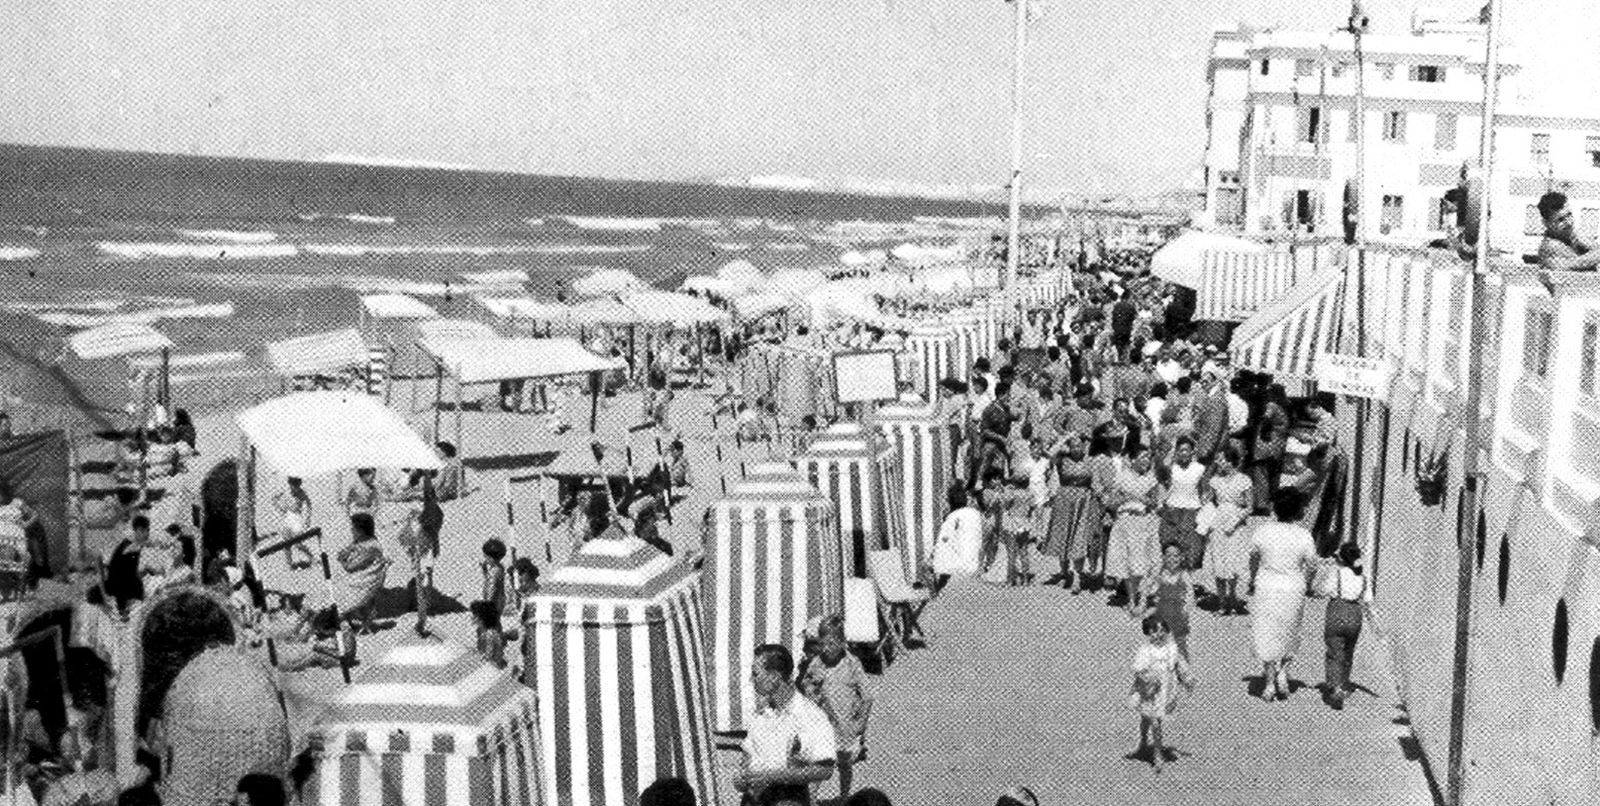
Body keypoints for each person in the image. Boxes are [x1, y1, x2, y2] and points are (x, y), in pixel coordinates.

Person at [737, 644, 837, 805]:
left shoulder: (811, 715)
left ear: (775, 677)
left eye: (756, 674)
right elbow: (747, 757)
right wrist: (742, 778)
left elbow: (825, 769)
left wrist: (773, 776)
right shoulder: (761, 714)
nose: (751, 679)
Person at [1249, 489, 1317, 702]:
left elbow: (1253, 557)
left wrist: (1252, 578)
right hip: (1293, 586)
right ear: (1297, 511)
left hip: (1267, 585)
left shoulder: (1263, 531)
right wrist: (1306, 583)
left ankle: (1269, 683)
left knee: (1267, 630)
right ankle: (1283, 673)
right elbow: (1312, 565)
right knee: (1290, 630)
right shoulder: (1303, 535)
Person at [799, 616, 872, 801]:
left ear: (842, 642)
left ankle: (845, 796)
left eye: (831, 644)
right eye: (822, 644)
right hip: (824, 724)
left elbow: (867, 696)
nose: (826, 649)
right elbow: (805, 685)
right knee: (820, 763)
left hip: (845, 725)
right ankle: (812, 800)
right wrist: (813, 688)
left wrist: (861, 723)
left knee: (845, 764)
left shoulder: (852, 664)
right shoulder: (817, 662)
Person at [1128, 614, 1196, 774]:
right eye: (1153, 631)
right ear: (1147, 633)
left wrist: (1187, 679)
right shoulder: (1145, 651)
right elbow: (1138, 670)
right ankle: (1147, 744)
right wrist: (1147, 679)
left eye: (1161, 631)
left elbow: (1179, 664)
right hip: (1149, 691)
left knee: (1155, 721)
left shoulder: (1171, 648)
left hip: (1165, 690)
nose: (1158, 635)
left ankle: (1155, 751)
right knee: (1148, 718)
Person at [1104, 449, 1163, 613]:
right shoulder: (1121, 477)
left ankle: (1143, 600)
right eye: (1142, 456)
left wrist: (1144, 499)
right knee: (1127, 564)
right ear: (1132, 459)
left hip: (1145, 522)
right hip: (1125, 522)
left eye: (1148, 457)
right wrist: (1126, 498)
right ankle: (1131, 599)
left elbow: (1156, 503)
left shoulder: (1152, 479)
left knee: (1144, 563)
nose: (1146, 460)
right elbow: (1110, 501)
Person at [1042, 435, 1101, 594]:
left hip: (1083, 502)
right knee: (1063, 536)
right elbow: (1048, 453)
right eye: (1073, 446)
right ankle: (1063, 572)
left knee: (1079, 537)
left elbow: (1095, 481)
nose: (1077, 449)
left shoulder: (1089, 460)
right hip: (1064, 500)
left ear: (1084, 447)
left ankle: (1077, 576)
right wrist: (1066, 437)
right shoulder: (1062, 459)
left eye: (1079, 446)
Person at [1202, 447, 1255, 616]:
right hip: (1218, 522)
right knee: (1218, 558)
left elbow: (1250, 506)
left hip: (1236, 523)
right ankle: (1221, 601)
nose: (1219, 463)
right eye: (1218, 460)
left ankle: (1232, 597)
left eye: (1222, 459)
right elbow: (1208, 501)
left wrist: (1236, 520)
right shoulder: (1215, 480)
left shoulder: (1244, 480)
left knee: (1233, 561)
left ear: (1231, 461)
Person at [1322, 541, 1374, 711]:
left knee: (1334, 650)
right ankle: (1344, 683)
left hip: (1337, 610)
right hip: (1354, 614)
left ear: (1342, 559)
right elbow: (1367, 600)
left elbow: (1326, 590)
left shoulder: (1336, 574)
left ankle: (1335, 688)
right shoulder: (1363, 578)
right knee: (1348, 651)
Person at [1157, 437, 1207, 572]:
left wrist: (1205, 511)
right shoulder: (1171, 468)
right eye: (1180, 450)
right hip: (1172, 510)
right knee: (1170, 547)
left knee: (1190, 549)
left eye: (1186, 450)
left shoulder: (1200, 469)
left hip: (1191, 511)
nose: (1183, 453)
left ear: (1192, 452)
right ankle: (1170, 583)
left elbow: (1203, 492)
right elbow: (1162, 479)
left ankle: (1187, 583)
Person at [1141, 543, 1195, 660]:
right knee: (1160, 641)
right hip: (1161, 613)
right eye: (1169, 556)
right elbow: (1146, 587)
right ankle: (1161, 666)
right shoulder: (1159, 573)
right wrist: (1143, 603)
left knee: (1180, 643)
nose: (1172, 559)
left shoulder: (1184, 574)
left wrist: (1187, 608)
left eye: (1176, 556)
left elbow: (1190, 593)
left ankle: (1183, 671)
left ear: (1181, 558)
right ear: (1163, 557)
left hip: (1178, 613)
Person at [931, 486, 984, 590]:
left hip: (956, 560)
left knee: (934, 567)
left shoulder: (952, 517)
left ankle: (936, 592)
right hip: (972, 560)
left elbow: (944, 538)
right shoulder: (974, 514)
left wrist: (934, 552)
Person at [1536, 191, 1600, 271]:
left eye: (1569, 215)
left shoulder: (1571, 238)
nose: (1569, 223)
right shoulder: (1550, 247)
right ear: (1546, 223)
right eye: (1561, 220)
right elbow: (1579, 263)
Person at [104, 515, 150, 615]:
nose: (147, 534)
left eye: (148, 531)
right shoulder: (129, 546)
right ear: (137, 530)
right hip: (120, 588)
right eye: (144, 531)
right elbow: (123, 573)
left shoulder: (129, 544)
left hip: (124, 585)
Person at [476, 538, 509, 667]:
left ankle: (490, 655)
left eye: (486, 556)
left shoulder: (495, 571)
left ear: (490, 557)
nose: (484, 558)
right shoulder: (498, 568)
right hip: (497, 602)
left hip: (493, 604)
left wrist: (486, 604)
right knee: (494, 627)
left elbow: (492, 587)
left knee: (487, 629)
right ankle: (496, 653)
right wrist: (484, 571)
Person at [0, 481, 36, 597]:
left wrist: (25, 524)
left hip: (17, 536)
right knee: (4, 563)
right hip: (2, 536)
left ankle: (23, 588)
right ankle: (4, 591)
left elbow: (34, 515)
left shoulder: (17, 502)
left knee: (26, 558)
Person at [271, 477, 315, 570]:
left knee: (298, 543)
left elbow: (309, 504)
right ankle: (289, 563)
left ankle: (311, 557)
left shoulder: (301, 493)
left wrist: (307, 519)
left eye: (296, 486)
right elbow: (274, 498)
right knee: (286, 542)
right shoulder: (285, 491)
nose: (294, 488)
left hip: (297, 518)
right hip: (287, 517)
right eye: (292, 485)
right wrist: (279, 508)